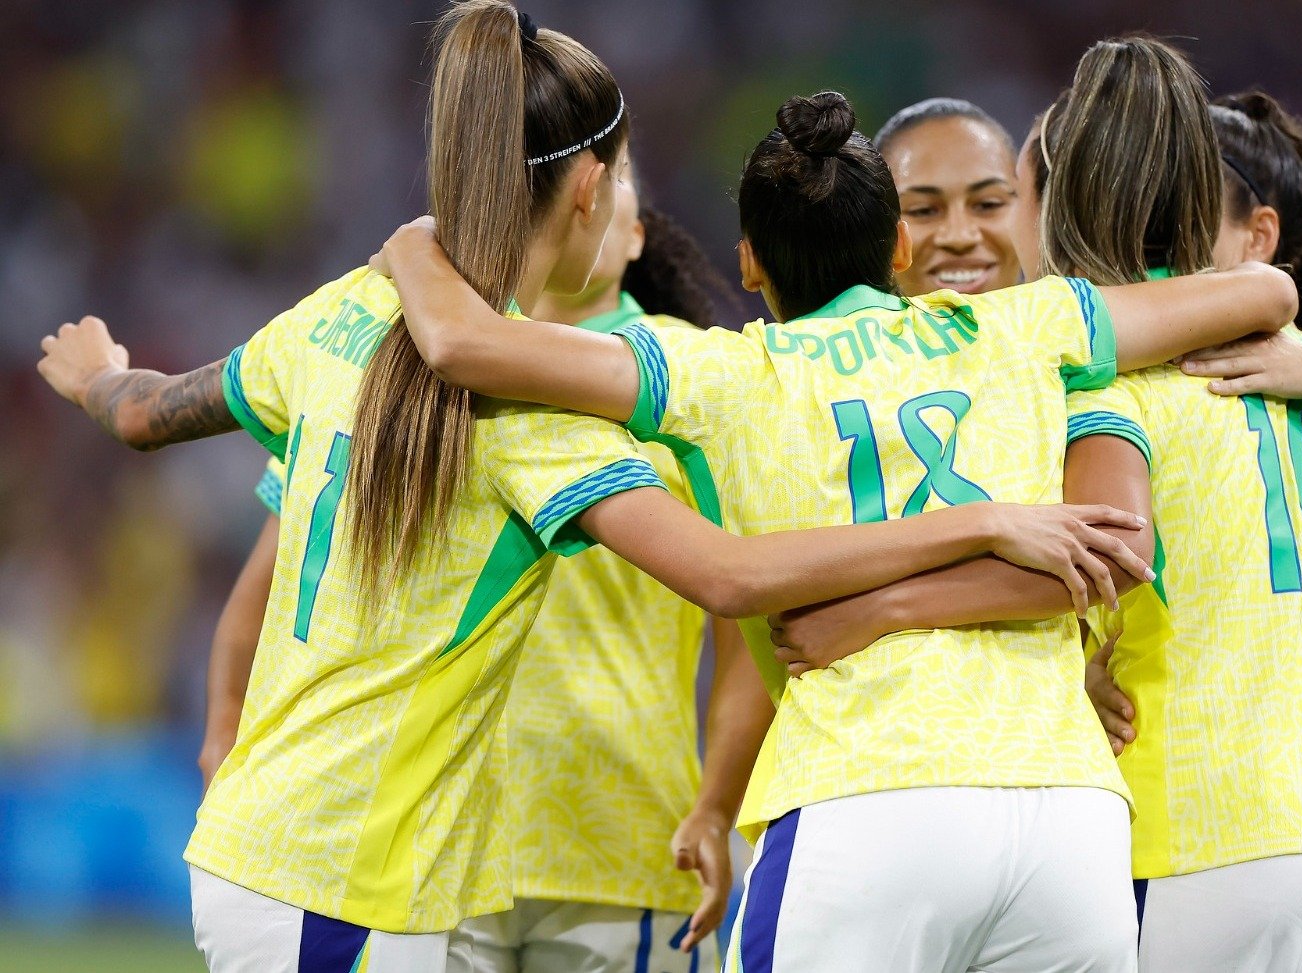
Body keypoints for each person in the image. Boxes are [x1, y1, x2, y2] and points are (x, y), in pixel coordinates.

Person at [34, 7, 1136, 970]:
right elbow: (728, 576)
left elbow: (146, 412)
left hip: (291, 841)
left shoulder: (332, 316)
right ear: (593, 190)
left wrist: (92, 378)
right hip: (349, 866)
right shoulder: (532, 417)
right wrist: (987, 520)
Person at [372, 77, 1299, 967]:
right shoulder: (1026, 327)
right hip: (1067, 819)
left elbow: (463, 344)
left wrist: (413, 246)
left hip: (864, 795)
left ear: (748, 258)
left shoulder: (720, 373)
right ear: (898, 245)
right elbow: (1267, 295)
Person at [762, 38, 1302, 973]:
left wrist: (891, 611)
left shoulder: (1096, 380)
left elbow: (1098, 550)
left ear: (1061, 210)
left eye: (1009, 200)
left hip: (1192, 833)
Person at [195, 146, 768, 971]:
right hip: (443, 848)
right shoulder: (407, 370)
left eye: (620, 176)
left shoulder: (692, 379)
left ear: (635, 232)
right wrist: (224, 733)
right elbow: (269, 582)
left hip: (621, 832)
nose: (594, 192)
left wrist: (716, 805)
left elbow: (739, 612)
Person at [874, 98, 1023, 297]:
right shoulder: (824, 327)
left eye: (988, 205)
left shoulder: (1076, 324)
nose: (959, 238)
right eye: (923, 210)